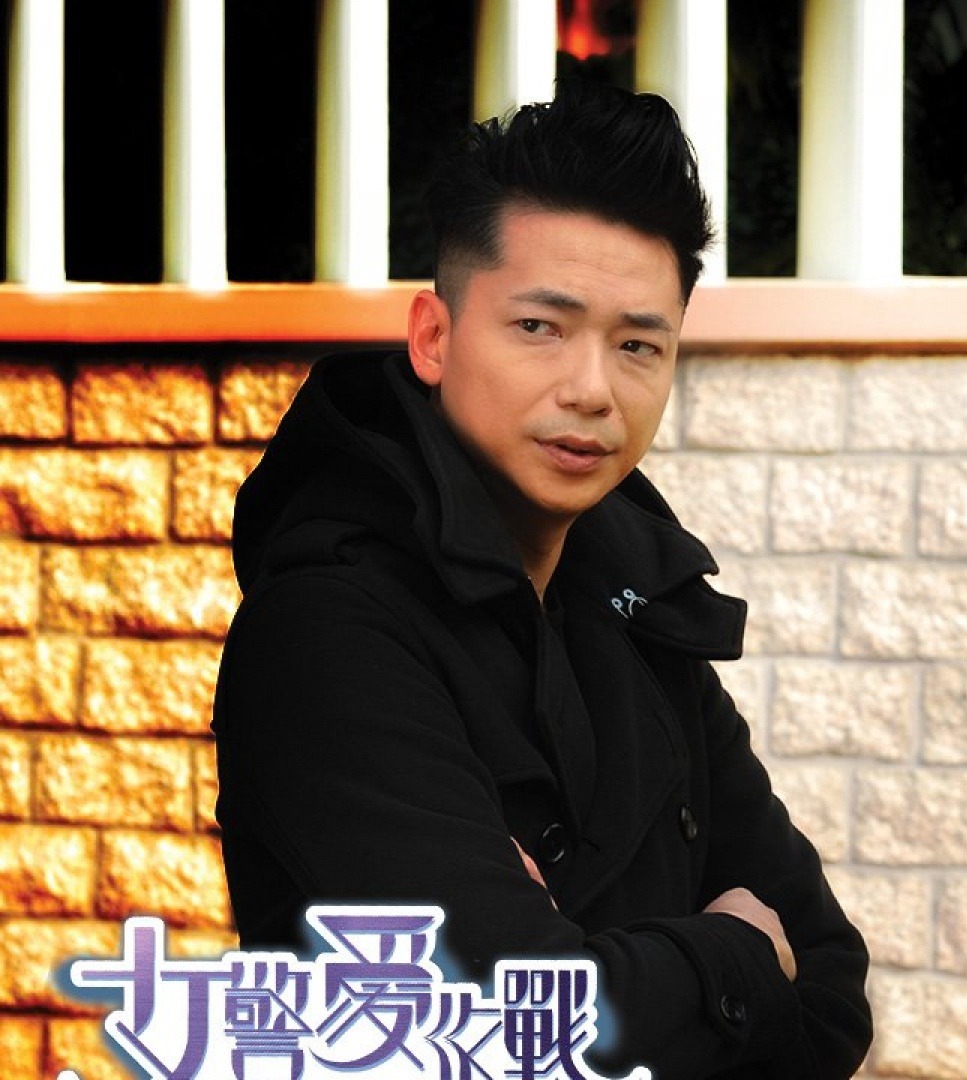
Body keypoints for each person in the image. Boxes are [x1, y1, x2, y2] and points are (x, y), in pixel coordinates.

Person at [213, 79, 871, 1079]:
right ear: (434, 337)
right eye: (540, 328)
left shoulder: (644, 606)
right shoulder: (328, 632)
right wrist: (736, 954)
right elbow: (515, 1032)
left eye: (638, 344)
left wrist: (601, 964)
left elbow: (830, 992)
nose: (592, 389)